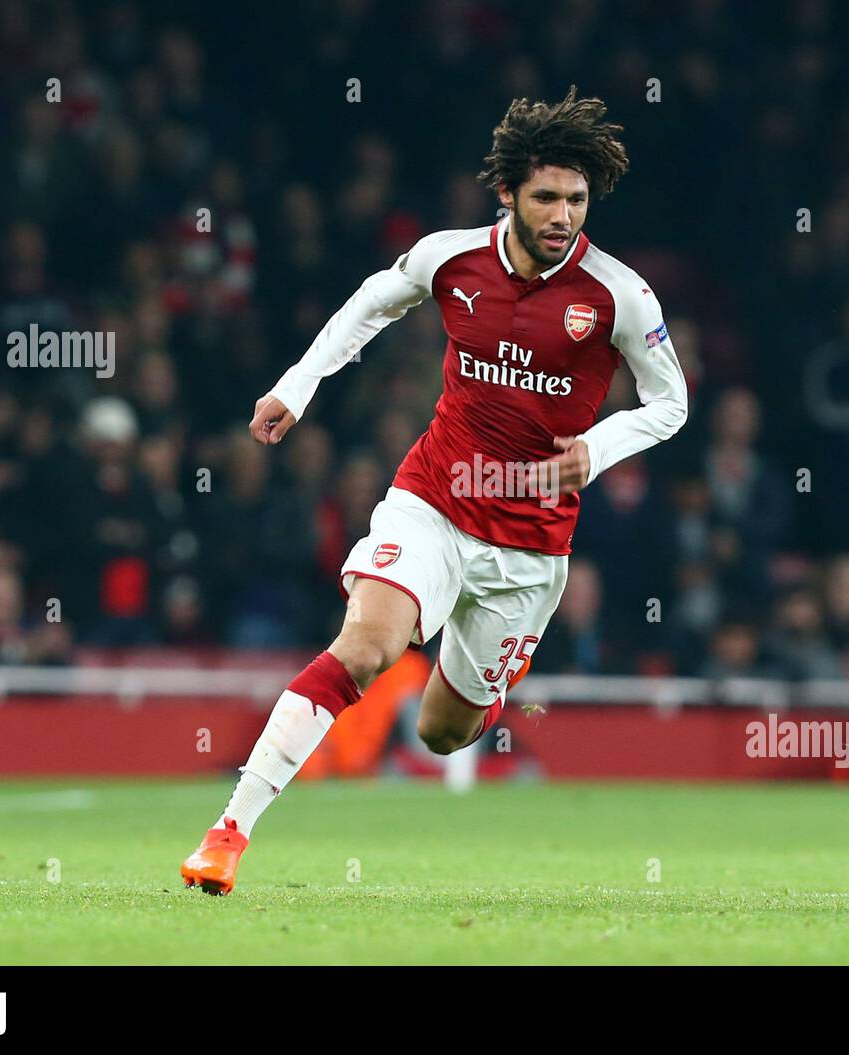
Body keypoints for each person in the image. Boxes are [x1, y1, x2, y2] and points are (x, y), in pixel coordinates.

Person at [182, 87, 689, 894]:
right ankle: (228, 831)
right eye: (547, 197)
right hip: (435, 503)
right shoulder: (450, 258)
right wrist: (297, 386)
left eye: (577, 200)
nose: (563, 215)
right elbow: (370, 303)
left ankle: (478, 678)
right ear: (509, 194)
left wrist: (595, 449)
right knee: (365, 649)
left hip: (529, 547)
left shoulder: (619, 295)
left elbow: (671, 401)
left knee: (444, 731)